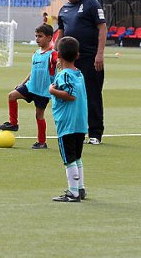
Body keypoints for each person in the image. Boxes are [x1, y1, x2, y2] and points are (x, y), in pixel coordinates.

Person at [55, 0, 107, 145]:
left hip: (90, 58)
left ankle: (95, 133)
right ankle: (75, 131)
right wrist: (57, 55)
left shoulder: (91, 4)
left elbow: (102, 28)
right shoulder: (63, 9)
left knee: (92, 95)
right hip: (70, 61)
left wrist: (99, 54)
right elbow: (61, 34)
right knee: (70, 95)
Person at [0, 24, 58, 149]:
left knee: (39, 116)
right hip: (31, 87)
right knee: (12, 95)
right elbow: (33, 71)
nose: (37, 39)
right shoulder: (36, 53)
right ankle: (13, 123)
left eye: (40, 36)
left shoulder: (53, 54)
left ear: (49, 38)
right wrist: (22, 83)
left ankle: (42, 142)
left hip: (43, 91)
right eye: (36, 36)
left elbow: (60, 63)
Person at [50, 36, 88, 202]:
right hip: (80, 123)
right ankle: (80, 189)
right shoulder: (78, 74)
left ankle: (73, 193)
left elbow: (70, 95)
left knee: (69, 159)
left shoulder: (64, 75)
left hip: (67, 123)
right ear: (77, 55)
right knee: (77, 157)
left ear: (59, 55)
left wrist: (52, 91)